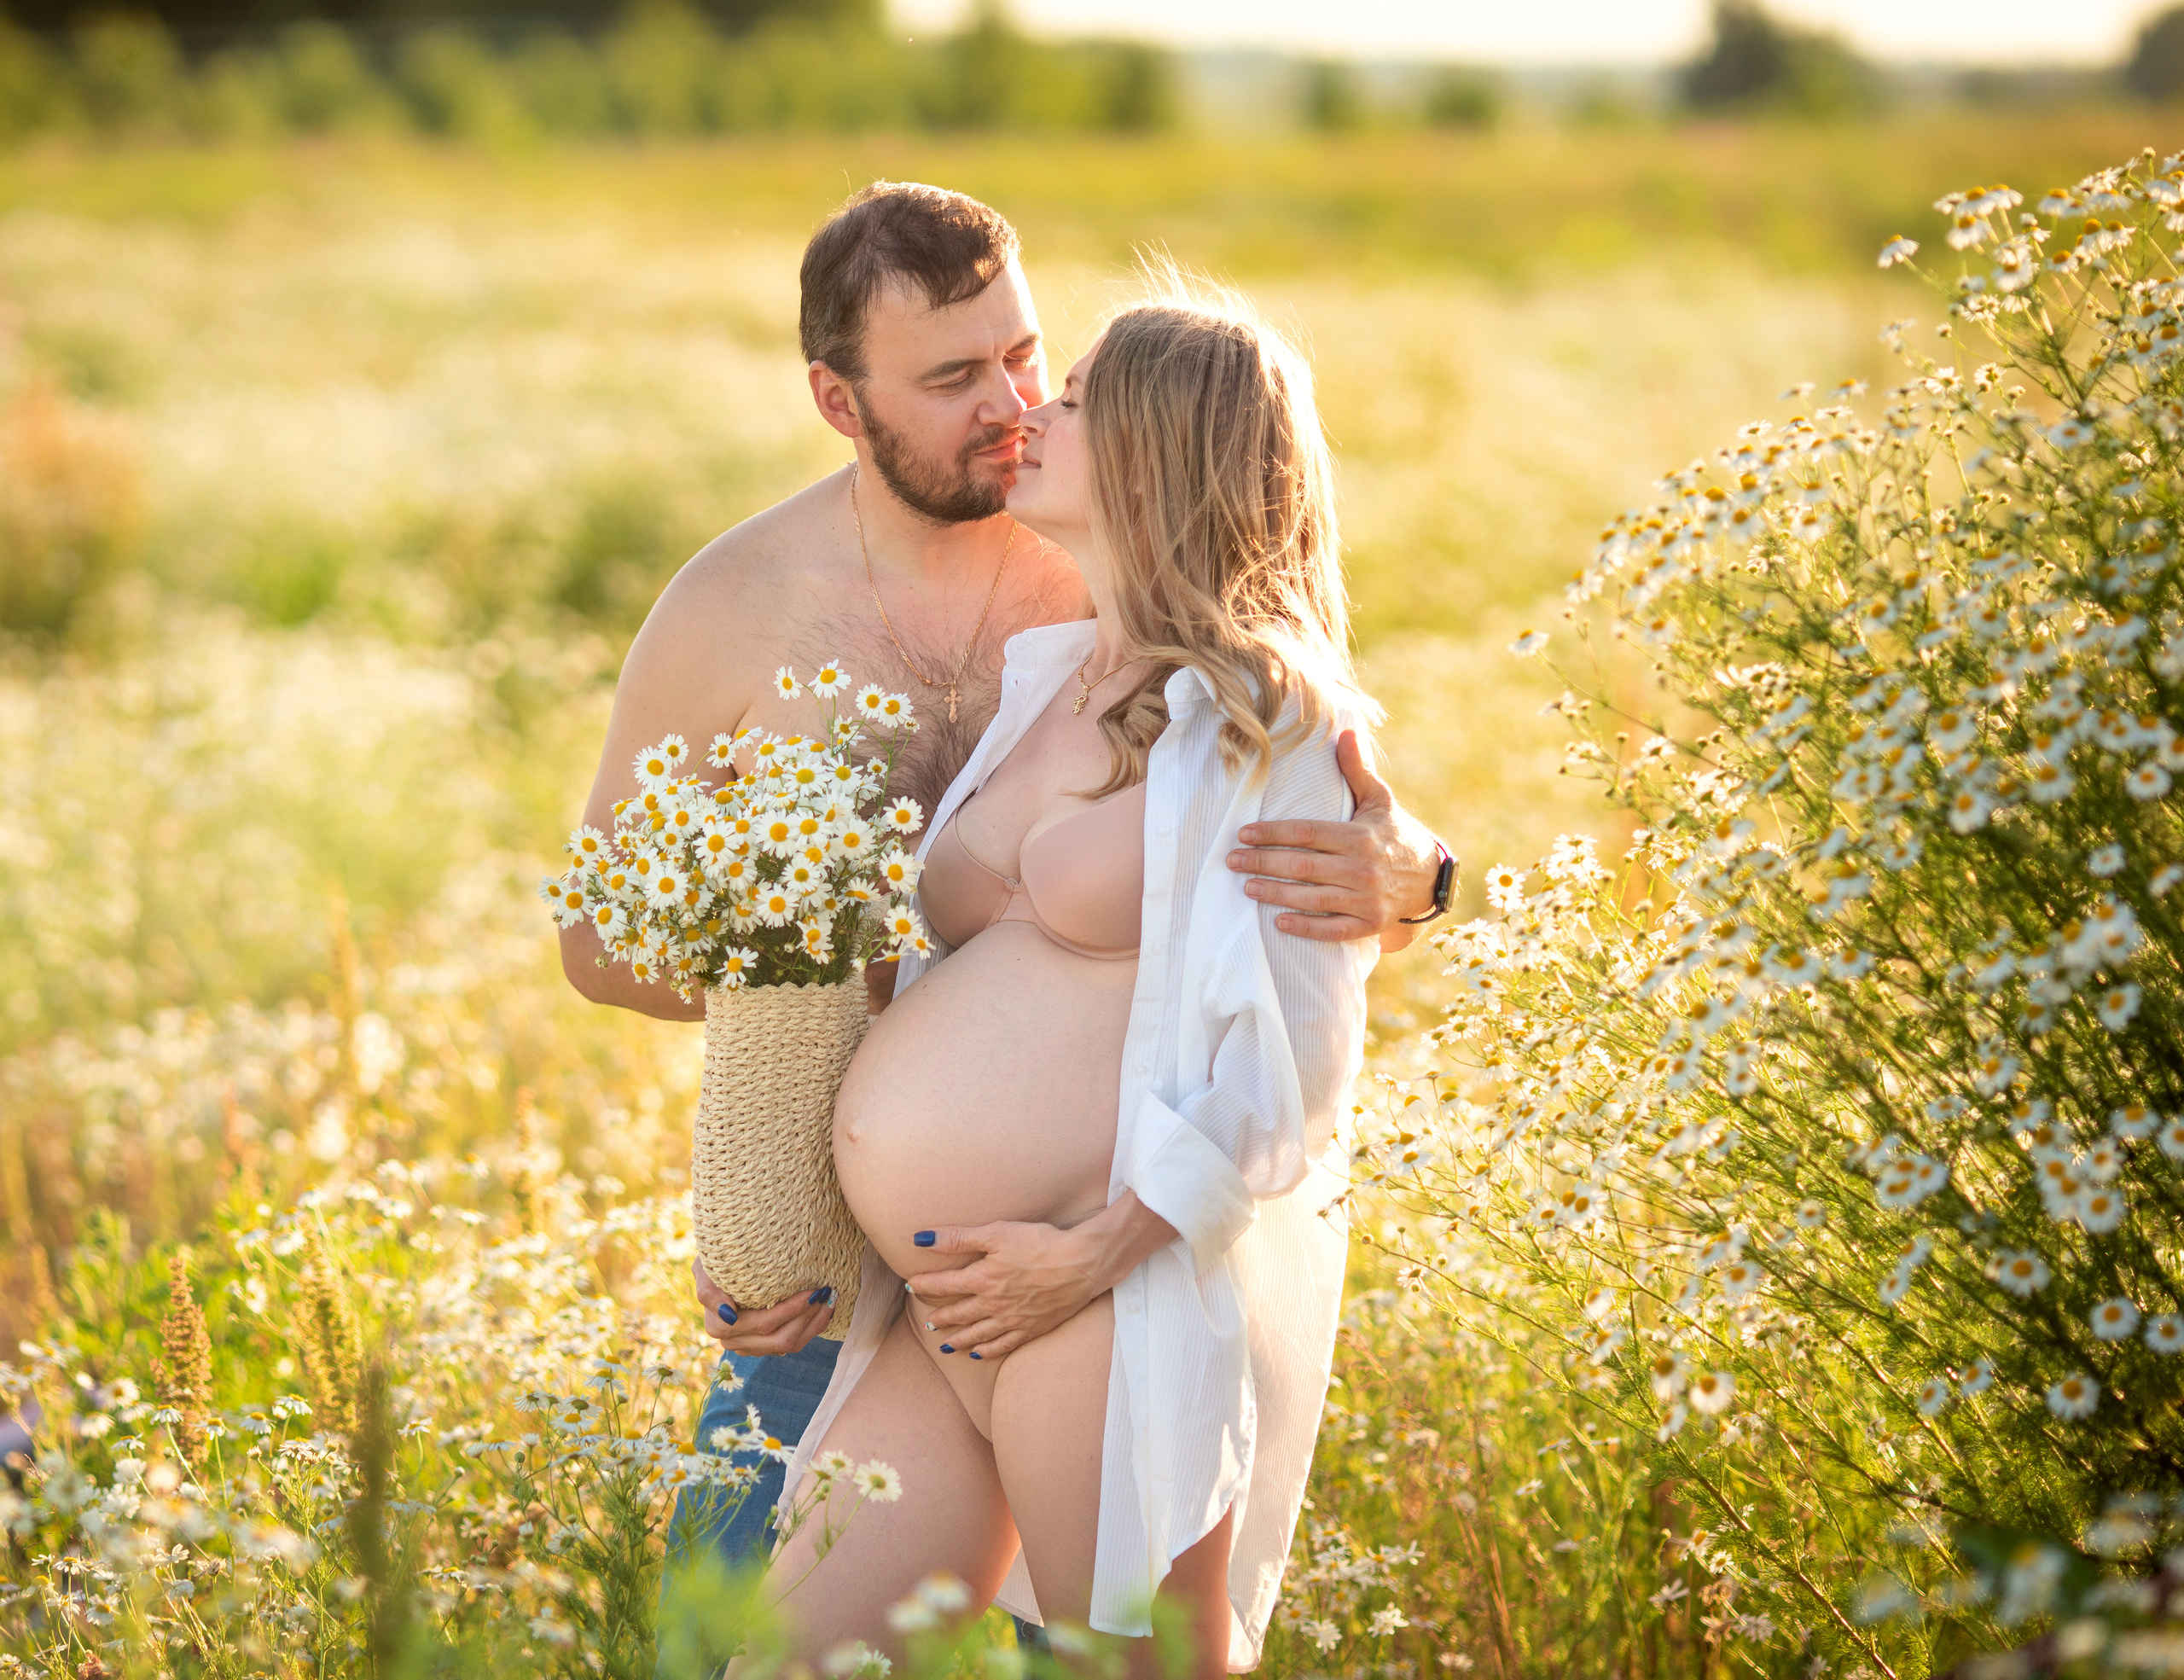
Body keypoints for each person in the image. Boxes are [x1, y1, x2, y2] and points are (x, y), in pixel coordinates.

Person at [555, 182, 1453, 1596]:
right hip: (835, 1278)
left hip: (1090, 1268)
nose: (1015, 404)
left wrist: (1418, 874)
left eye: (1029, 357)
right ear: (841, 404)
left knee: (1103, 1642)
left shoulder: (1096, 565)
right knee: (720, 1624)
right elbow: (598, 937)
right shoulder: (739, 608)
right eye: (956, 377)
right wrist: (779, 1094)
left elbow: (1287, 868)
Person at [751, 277, 1375, 1677]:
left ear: (1159, 448)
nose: (1037, 409)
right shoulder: (1048, 674)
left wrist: (1084, 1258)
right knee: (786, 1661)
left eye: (1078, 395)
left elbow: (1297, 1073)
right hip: (944, 1311)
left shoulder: (1270, 724)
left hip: (1096, 1306)